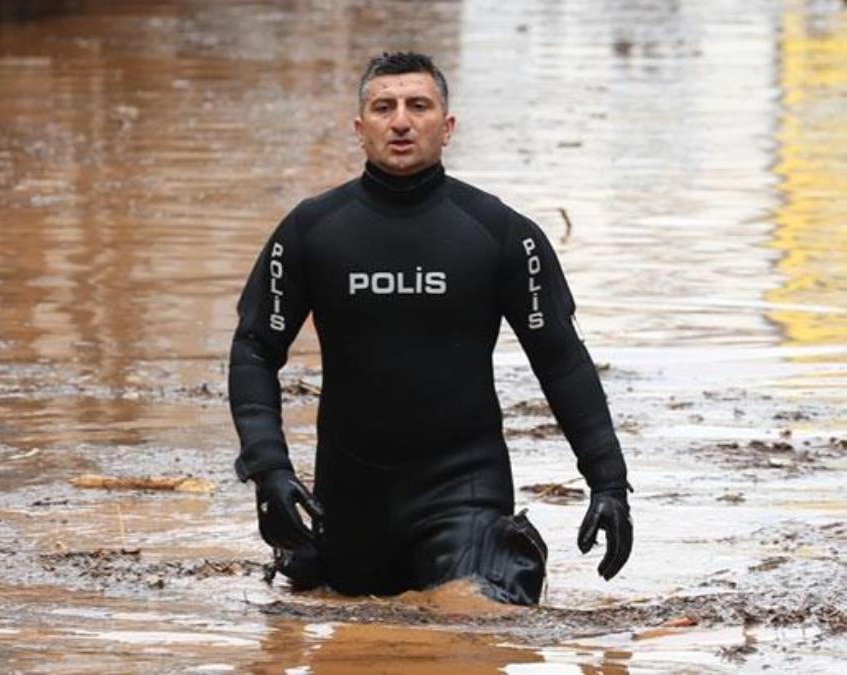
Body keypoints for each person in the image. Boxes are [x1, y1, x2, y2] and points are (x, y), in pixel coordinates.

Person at [227, 52, 632, 604]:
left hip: (463, 488)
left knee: (471, 619)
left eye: (418, 106)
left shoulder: (501, 233)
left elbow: (561, 361)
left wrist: (608, 481)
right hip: (350, 499)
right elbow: (254, 349)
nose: (400, 121)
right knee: (348, 636)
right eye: (383, 107)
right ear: (359, 127)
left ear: (447, 127)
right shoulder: (310, 230)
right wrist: (269, 470)